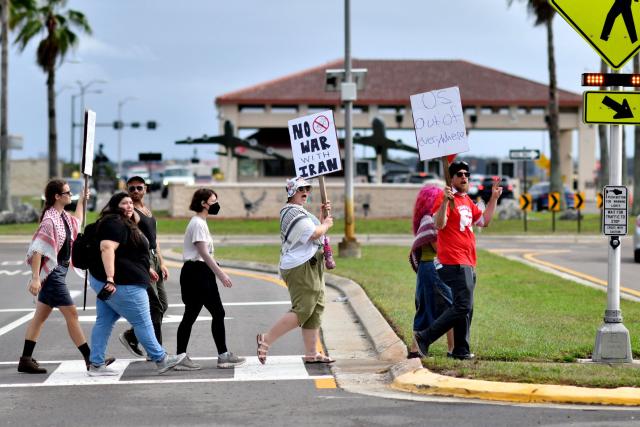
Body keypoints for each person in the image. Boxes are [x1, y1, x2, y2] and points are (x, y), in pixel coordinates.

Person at [87, 192, 185, 376]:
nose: (129, 206)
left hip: (114, 281)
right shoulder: (114, 222)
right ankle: (161, 358)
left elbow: (127, 253)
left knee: (104, 322)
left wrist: (146, 270)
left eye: (131, 203)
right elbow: (107, 248)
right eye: (125, 203)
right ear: (115, 206)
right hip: (122, 283)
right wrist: (110, 278)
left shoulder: (123, 223)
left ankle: (96, 364)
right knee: (142, 321)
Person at [415, 161, 501, 360]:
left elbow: (484, 221)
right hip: (453, 261)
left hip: (468, 261)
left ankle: (461, 350)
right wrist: (445, 201)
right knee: (462, 305)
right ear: (451, 178)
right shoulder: (446, 199)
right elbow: (439, 224)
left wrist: (494, 198)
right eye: (460, 174)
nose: (464, 177)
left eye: (467, 174)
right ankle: (424, 337)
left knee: (466, 307)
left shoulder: (467, 201)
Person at [19, 179, 105, 373]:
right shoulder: (50, 221)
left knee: (39, 317)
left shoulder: (63, 217)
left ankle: (25, 359)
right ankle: (91, 359)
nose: (70, 195)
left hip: (59, 271)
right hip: (54, 275)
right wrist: (35, 278)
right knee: (72, 314)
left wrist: (82, 200)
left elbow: (78, 220)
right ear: (57, 196)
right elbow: (38, 249)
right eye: (67, 193)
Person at [256, 177, 334, 365]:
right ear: (292, 192)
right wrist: (326, 224)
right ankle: (266, 339)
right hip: (300, 265)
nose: (305, 191)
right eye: (301, 189)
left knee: (316, 308)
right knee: (304, 308)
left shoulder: (300, 212)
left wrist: (323, 217)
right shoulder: (291, 212)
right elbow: (314, 233)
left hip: (311, 263)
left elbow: (317, 231)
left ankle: (311, 353)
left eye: (307, 188)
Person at [176, 188, 245, 370]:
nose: (216, 205)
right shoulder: (198, 223)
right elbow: (203, 253)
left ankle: (181, 356)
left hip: (197, 272)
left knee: (191, 315)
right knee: (216, 313)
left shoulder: (200, 222)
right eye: (213, 202)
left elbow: (205, 254)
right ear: (203, 204)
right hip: (198, 273)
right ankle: (222, 356)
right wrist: (221, 274)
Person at [118, 176, 169, 357]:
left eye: (139, 188)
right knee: (154, 307)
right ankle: (156, 350)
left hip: (154, 258)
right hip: (143, 261)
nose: (136, 192)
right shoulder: (132, 213)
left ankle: (132, 335)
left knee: (163, 304)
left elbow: (155, 240)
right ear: (127, 190)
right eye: (132, 189)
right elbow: (133, 242)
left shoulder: (146, 210)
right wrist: (146, 266)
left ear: (145, 189)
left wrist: (161, 262)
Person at [408, 185, 454, 359]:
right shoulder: (429, 220)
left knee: (425, 310)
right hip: (435, 267)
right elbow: (438, 246)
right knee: (453, 308)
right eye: (440, 198)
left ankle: (415, 350)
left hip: (426, 269)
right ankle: (452, 350)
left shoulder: (426, 219)